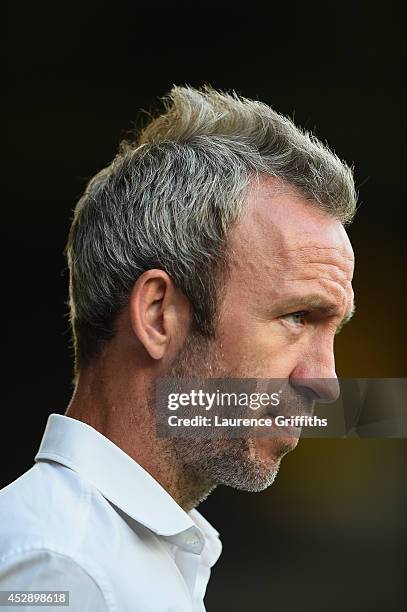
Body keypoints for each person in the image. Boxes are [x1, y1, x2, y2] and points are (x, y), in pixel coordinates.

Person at [0, 86, 356, 611]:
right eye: (296, 317)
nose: (324, 380)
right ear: (158, 316)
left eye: (333, 330)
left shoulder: (126, 553)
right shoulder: (65, 568)